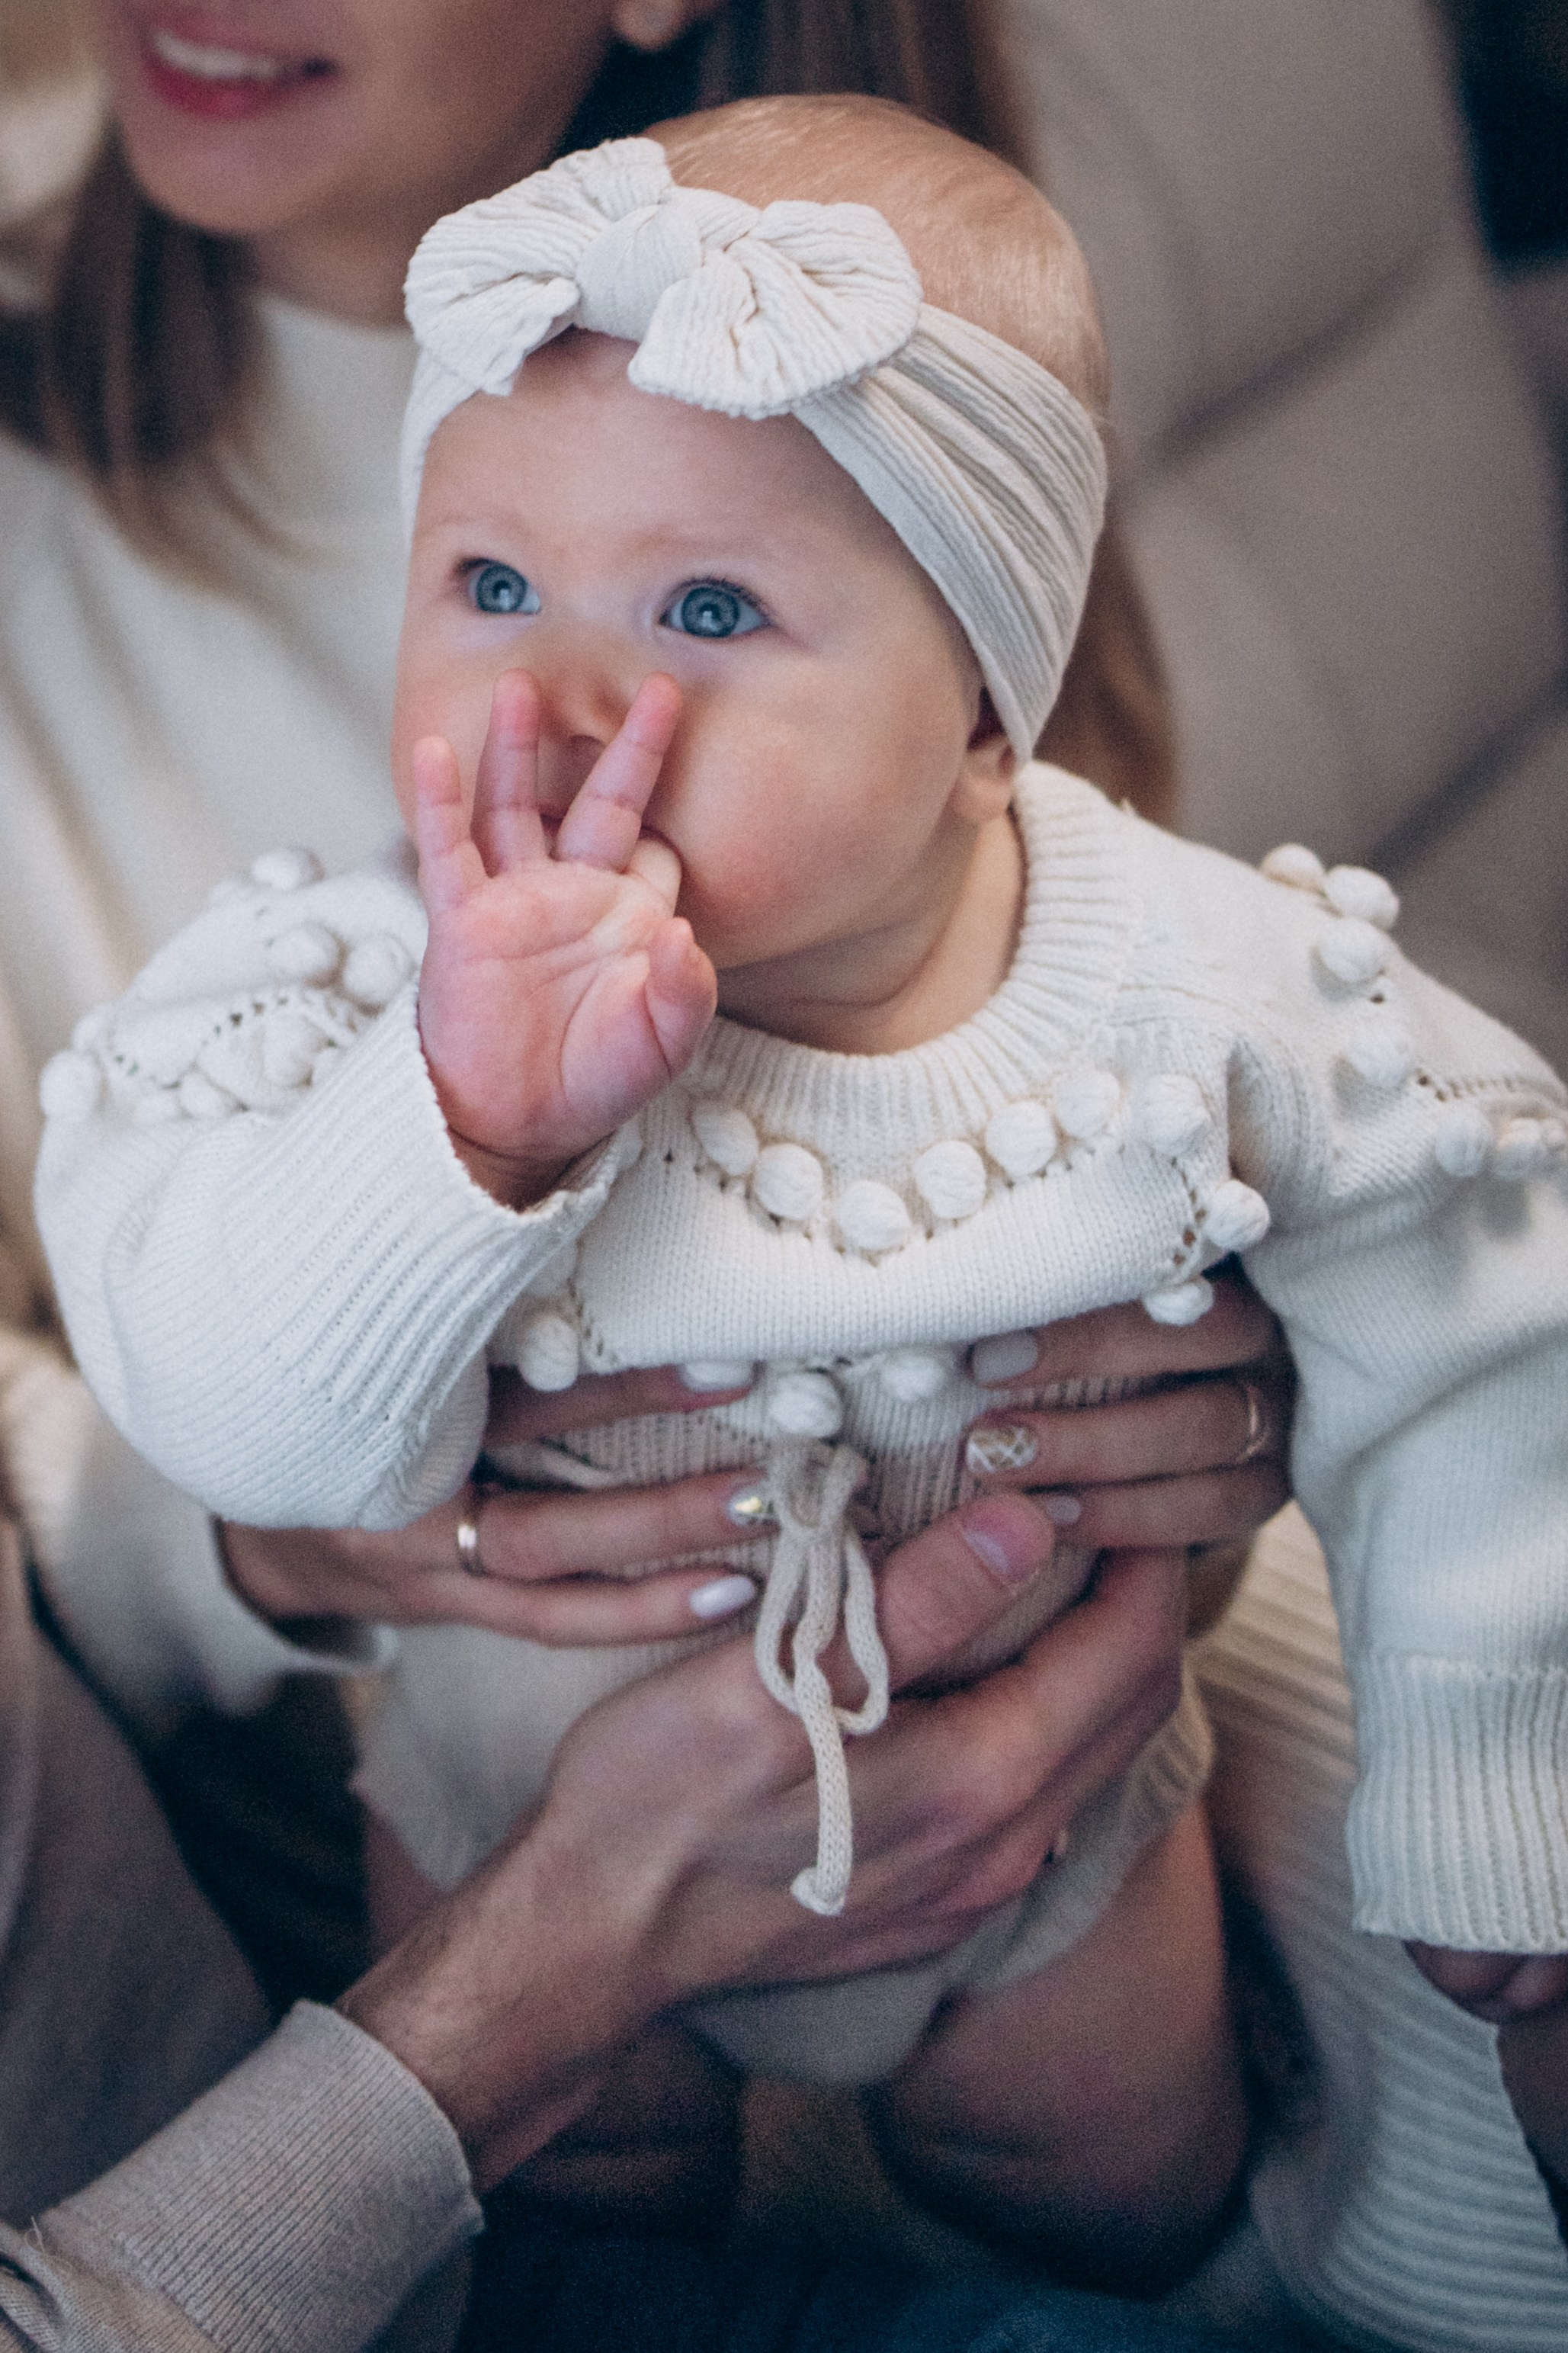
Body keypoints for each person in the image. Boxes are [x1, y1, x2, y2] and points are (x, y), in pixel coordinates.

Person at [38, 90, 1568, 2297]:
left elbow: (1486, 1297)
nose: (553, 692)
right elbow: (225, 1410)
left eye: (712, 603)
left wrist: (1488, 1780)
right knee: (587, 2256)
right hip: (509, 1833)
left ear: (979, 716)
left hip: (1052, 1812)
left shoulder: (1197, 983)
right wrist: (465, 1124)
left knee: (1120, 2209)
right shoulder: (342, 992)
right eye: (486, 582)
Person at [0, 1430, 1261, 2353]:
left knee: (1136, 2223)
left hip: (360, 2009)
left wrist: (250, 1525)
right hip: (408, 2185)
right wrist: (564, 1950)